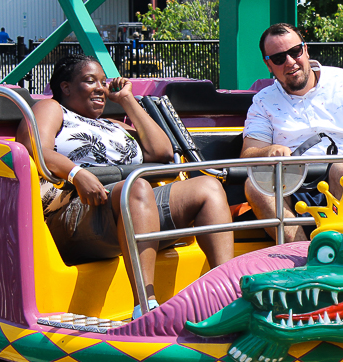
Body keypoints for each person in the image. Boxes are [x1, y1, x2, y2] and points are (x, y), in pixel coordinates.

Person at [16, 54, 234, 318]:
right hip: (77, 210)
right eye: (89, 81)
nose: (100, 88)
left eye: (103, 82)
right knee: (136, 188)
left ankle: (226, 297)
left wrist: (128, 100)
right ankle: (146, 306)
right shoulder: (52, 109)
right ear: (66, 87)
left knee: (208, 187)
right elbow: (34, 148)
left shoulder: (113, 125)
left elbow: (162, 152)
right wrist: (77, 174)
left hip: (132, 206)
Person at [241, 23, 343, 242]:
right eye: (278, 58)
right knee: (255, 186)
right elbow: (247, 154)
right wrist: (268, 150)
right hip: (294, 185)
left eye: (295, 52)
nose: (290, 62)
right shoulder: (263, 101)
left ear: (305, 49)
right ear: (268, 65)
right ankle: (303, 258)